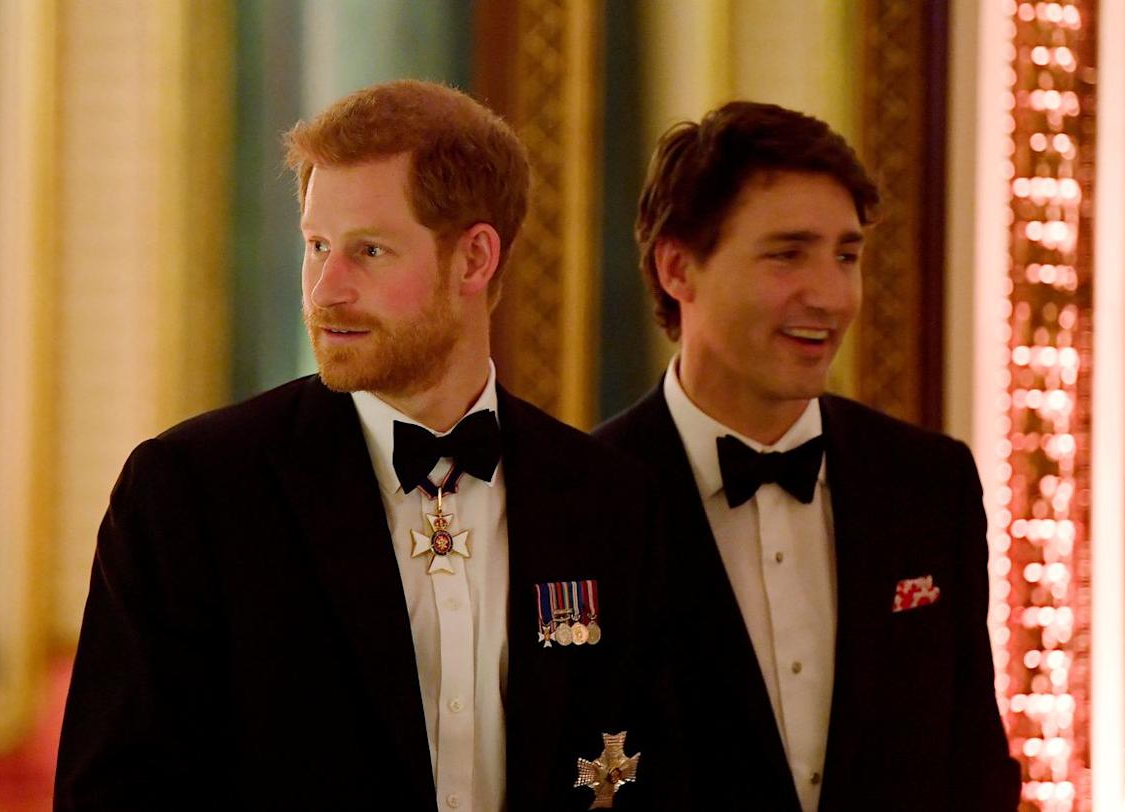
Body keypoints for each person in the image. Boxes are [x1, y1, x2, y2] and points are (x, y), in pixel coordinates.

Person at [55, 80, 671, 810]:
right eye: (316, 247)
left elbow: (661, 778)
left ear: (474, 260)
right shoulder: (191, 493)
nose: (325, 291)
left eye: (369, 251)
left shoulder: (613, 500)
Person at [595, 101, 1021, 811]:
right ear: (678, 268)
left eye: (846, 255)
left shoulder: (930, 485)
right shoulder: (585, 500)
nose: (829, 295)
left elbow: (973, 764)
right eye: (787, 253)